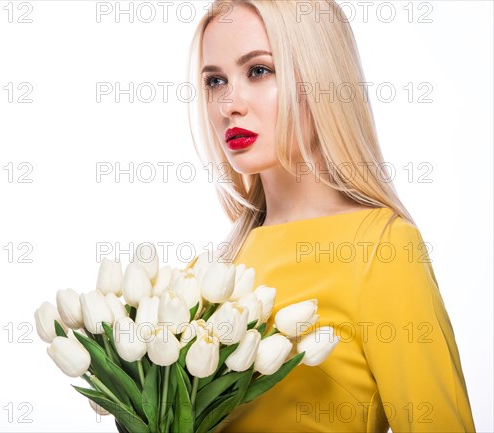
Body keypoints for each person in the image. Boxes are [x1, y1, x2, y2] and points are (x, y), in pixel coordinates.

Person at [183, 0, 476, 431]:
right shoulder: (204, 277)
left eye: (259, 71)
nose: (229, 103)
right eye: (214, 81)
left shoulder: (382, 249)